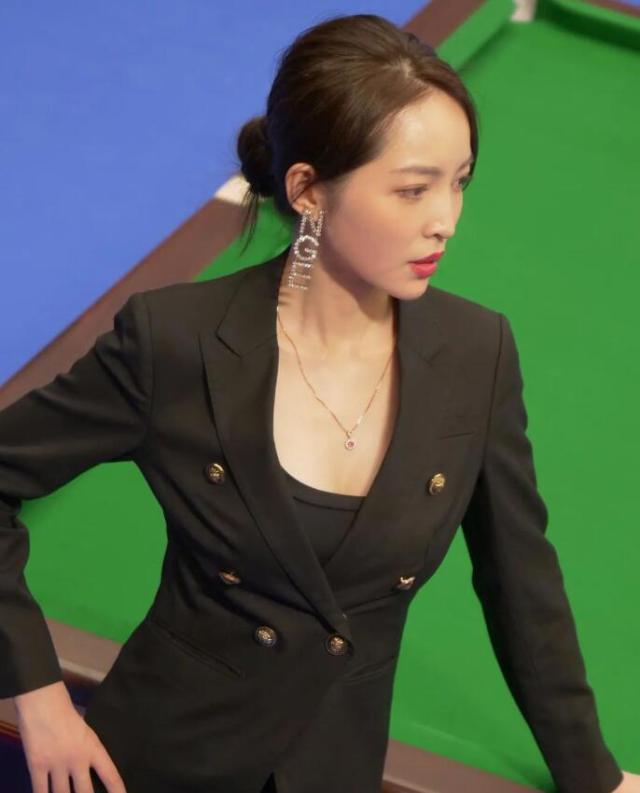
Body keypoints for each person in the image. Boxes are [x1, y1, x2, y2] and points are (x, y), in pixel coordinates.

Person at [0, 12, 636, 793]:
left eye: (460, 181)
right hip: (156, 763)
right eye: (413, 189)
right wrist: (38, 696)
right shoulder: (174, 342)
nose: (445, 219)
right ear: (308, 190)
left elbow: (521, 584)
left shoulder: (479, 354)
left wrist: (593, 774)